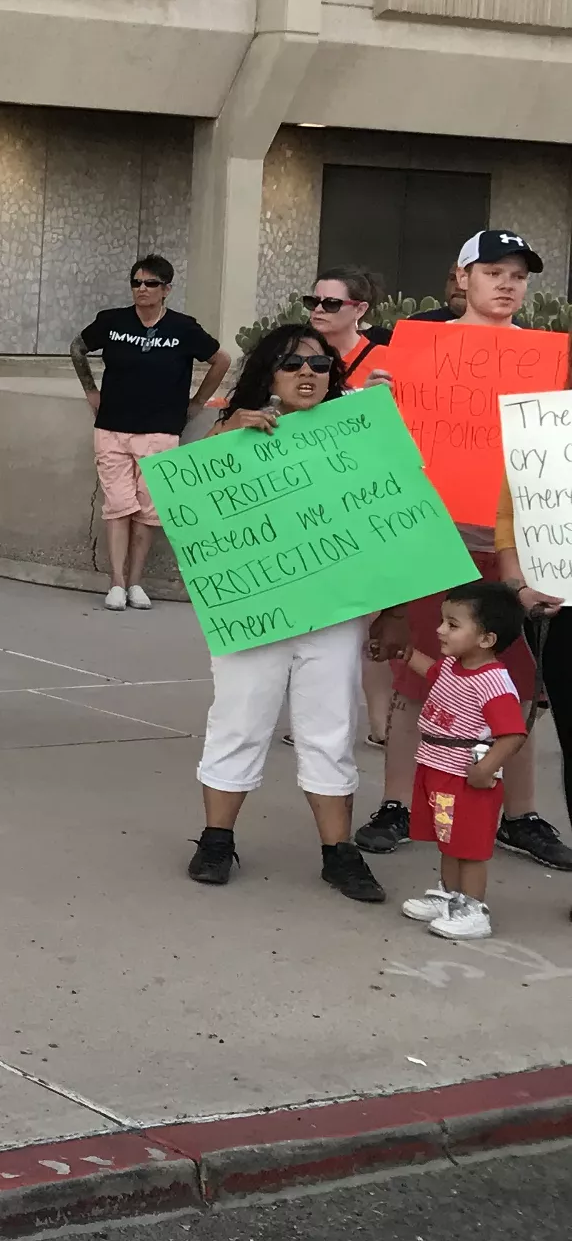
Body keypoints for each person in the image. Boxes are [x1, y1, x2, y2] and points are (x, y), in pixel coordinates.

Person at [353, 230, 572, 869]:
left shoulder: (548, 361)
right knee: (417, 676)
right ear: (462, 277)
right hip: (430, 534)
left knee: (517, 686)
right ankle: (398, 802)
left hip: (517, 544)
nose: (507, 284)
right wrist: (377, 402)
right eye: (493, 271)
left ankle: (521, 815)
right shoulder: (412, 350)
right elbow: (364, 434)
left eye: (519, 275)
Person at [182, 326, 387, 904]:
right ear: (268, 372)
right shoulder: (236, 429)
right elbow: (184, 495)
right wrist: (225, 434)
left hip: (333, 611)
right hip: (255, 609)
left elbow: (389, 520)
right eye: (292, 362)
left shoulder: (357, 431)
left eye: (320, 364)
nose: (307, 373)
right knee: (238, 721)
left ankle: (339, 853)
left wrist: (391, 609)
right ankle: (216, 839)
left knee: (330, 729)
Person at [70, 255, 228, 610]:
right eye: (137, 283)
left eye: (151, 284)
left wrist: (198, 402)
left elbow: (221, 360)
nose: (142, 289)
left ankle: (137, 583)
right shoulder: (112, 321)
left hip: (161, 429)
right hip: (112, 426)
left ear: (166, 289)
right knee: (117, 506)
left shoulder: (184, 328)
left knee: (147, 510)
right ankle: (116, 583)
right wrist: (90, 390)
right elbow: (78, 347)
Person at [391, 581, 533, 940]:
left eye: (453, 625)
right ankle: (449, 896)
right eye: (443, 621)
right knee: (449, 840)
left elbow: (513, 732)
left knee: (469, 848)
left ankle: (473, 909)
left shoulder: (493, 682)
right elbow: (433, 672)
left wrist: (485, 769)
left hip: (466, 777)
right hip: (438, 769)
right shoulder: (455, 666)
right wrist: (405, 653)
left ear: (486, 639)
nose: (440, 630)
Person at [302, 265, 389, 383]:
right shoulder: (296, 354)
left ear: (360, 310)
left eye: (332, 303)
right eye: (313, 302)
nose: (318, 309)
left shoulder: (385, 359)